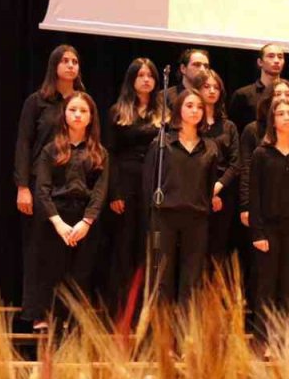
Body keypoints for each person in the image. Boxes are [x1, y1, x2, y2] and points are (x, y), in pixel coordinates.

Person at [21, 92, 109, 331]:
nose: (78, 115)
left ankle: (71, 320)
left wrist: (87, 222)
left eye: (83, 111)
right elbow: (42, 189)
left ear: (91, 117)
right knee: (50, 268)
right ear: (64, 115)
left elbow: (100, 192)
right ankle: (44, 317)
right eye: (73, 110)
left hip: (84, 218)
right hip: (55, 216)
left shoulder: (100, 153)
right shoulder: (51, 150)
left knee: (80, 271)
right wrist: (58, 223)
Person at [15, 45, 86, 313]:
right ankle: (37, 313)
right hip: (41, 183)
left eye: (75, 61)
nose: (70, 65)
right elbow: (24, 143)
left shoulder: (82, 102)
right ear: (54, 65)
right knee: (39, 251)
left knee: (69, 254)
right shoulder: (38, 101)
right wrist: (23, 186)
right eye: (65, 61)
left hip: (74, 184)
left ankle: (66, 313)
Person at [144, 90, 221, 303]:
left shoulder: (210, 148)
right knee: (161, 277)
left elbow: (209, 184)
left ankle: (187, 331)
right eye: (189, 105)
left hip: (196, 217)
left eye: (199, 107)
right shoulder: (162, 143)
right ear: (178, 109)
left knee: (193, 277)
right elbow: (149, 184)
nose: (195, 110)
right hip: (164, 217)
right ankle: (160, 330)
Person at [104, 57, 166, 300]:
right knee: (124, 244)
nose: (146, 79)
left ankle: (146, 303)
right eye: (141, 75)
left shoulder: (165, 113)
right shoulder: (118, 111)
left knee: (150, 243)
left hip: (155, 181)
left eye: (150, 75)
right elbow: (110, 154)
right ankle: (121, 304)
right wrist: (115, 192)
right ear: (131, 80)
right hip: (126, 181)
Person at [248, 98, 289, 322]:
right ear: (272, 121)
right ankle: (263, 338)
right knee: (266, 285)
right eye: (281, 114)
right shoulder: (261, 154)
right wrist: (257, 232)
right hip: (268, 227)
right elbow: (254, 196)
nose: (287, 117)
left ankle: (283, 340)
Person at [237, 79, 289, 227]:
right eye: (278, 94)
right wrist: (245, 205)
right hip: (260, 202)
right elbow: (246, 169)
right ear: (268, 98)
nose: (283, 97)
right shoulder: (252, 130)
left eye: (288, 94)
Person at [195, 69, 239, 262]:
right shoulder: (191, 122)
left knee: (218, 246)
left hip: (223, 191)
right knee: (195, 248)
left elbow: (235, 163)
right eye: (206, 87)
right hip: (194, 192)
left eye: (216, 87)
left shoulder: (228, 126)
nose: (212, 91)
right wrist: (207, 191)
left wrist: (216, 189)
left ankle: (214, 291)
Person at [228, 43, 287, 132]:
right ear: (260, 62)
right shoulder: (243, 95)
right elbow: (233, 130)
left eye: (280, 57)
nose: (276, 60)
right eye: (271, 56)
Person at [161, 48, 210, 112]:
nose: (203, 70)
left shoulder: (210, 95)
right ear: (183, 68)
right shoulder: (165, 96)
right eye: (197, 65)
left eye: (206, 66)